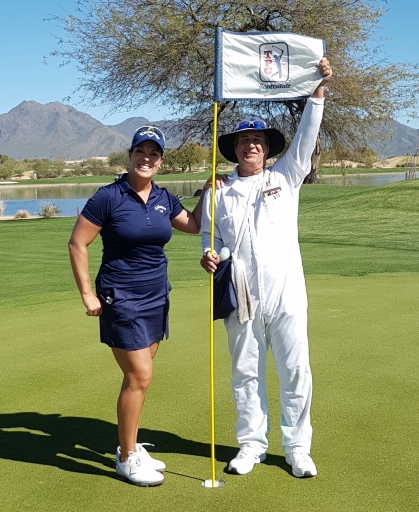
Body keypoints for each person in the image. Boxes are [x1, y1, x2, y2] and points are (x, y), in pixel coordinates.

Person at [200, 58, 333, 478]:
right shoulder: (219, 191)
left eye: (257, 140)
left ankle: (297, 448)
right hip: (242, 294)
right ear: (234, 149)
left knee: (295, 371)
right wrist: (209, 256)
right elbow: (212, 241)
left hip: (287, 294)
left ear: (267, 148)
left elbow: (308, 136)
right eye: (243, 141)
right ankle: (251, 445)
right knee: (245, 374)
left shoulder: (286, 176)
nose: (250, 146)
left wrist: (317, 93)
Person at [69, 126, 217, 487]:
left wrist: (210, 188)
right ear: (130, 155)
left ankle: (130, 443)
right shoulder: (109, 197)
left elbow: (194, 224)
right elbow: (77, 243)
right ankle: (126, 456)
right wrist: (87, 293)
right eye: (140, 152)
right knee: (140, 376)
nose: (146, 159)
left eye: (153, 154)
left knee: (140, 374)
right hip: (121, 296)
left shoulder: (165, 198)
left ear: (161, 160)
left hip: (156, 296)